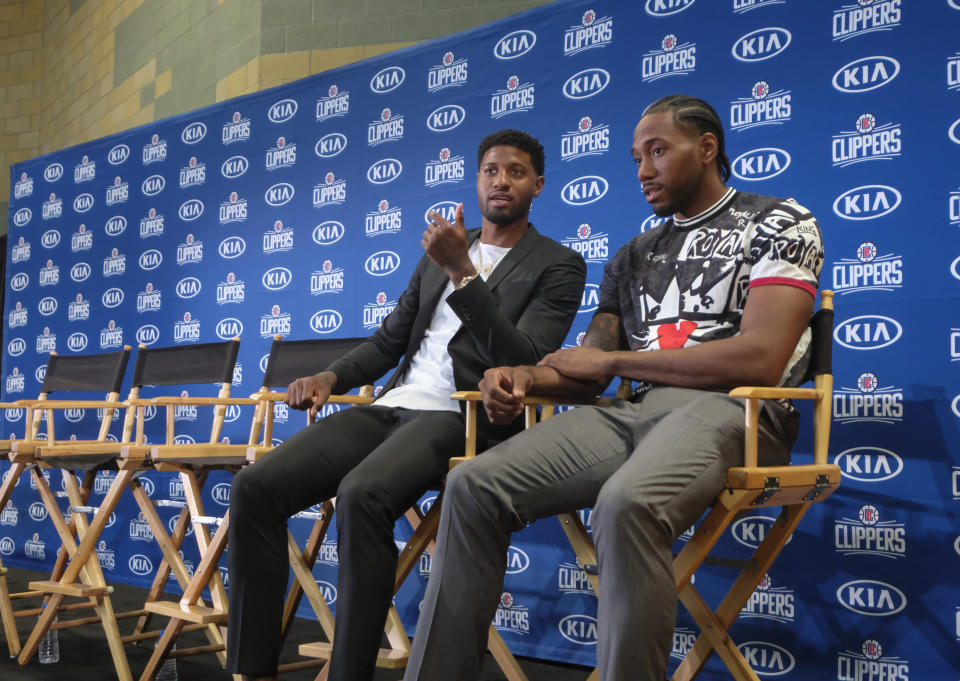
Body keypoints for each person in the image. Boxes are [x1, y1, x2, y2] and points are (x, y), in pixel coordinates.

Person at [403, 95, 825, 681]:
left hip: (738, 414)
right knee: (471, 482)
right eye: (635, 158)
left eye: (657, 151)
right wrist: (527, 375)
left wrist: (619, 361)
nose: (643, 170)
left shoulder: (778, 220)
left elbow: (759, 358)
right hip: (634, 411)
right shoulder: (633, 256)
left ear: (707, 149)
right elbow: (588, 363)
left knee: (628, 503)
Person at [226, 128, 586, 681]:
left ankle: (350, 673)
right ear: (477, 179)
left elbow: (523, 361)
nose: (501, 180)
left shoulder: (558, 264)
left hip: (465, 417)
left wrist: (463, 273)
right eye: (491, 169)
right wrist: (331, 374)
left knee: (363, 494)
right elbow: (390, 340)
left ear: (537, 184)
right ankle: (252, 670)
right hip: (395, 404)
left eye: (516, 171)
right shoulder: (439, 255)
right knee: (256, 486)